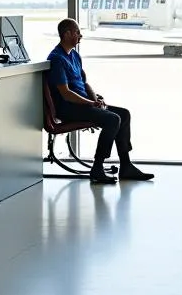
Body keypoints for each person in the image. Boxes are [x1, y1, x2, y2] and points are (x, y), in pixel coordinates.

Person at [48, 19, 154, 185]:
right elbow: (66, 93)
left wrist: (95, 99)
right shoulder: (56, 59)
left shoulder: (74, 55)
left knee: (123, 114)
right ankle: (97, 167)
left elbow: (84, 83)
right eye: (77, 32)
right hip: (69, 108)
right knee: (113, 119)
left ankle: (126, 165)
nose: (80, 35)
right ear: (67, 34)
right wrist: (89, 103)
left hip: (83, 104)